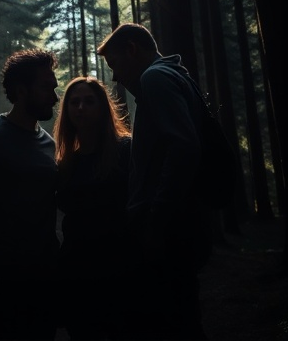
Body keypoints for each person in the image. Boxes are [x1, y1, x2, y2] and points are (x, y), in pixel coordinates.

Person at [97, 22, 212, 340]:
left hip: (169, 229)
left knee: (173, 322)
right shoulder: (174, 75)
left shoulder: (156, 77)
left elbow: (183, 147)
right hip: (178, 223)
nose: (116, 77)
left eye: (115, 64)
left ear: (132, 50)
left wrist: (157, 221)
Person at [0, 48, 61, 341]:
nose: (54, 97)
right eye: (46, 87)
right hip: (0, 279)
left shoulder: (50, 144)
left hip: (43, 280)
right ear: (20, 90)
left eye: (54, 88)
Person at [53, 76, 132, 341]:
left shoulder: (126, 150)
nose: (80, 108)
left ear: (102, 107)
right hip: (78, 275)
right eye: (74, 102)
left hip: (120, 272)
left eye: (89, 101)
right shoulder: (65, 162)